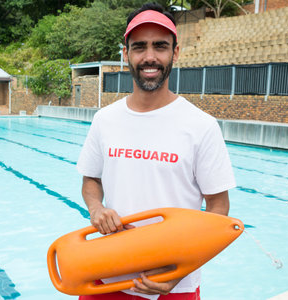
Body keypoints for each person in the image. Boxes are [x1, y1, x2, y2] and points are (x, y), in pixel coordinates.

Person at [76, 2, 236, 300]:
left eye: (160, 46)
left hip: (173, 285)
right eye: (139, 47)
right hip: (107, 273)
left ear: (175, 52)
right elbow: (90, 180)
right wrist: (96, 209)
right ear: (126, 54)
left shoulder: (201, 125)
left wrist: (180, 270)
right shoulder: (105, 119)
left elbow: (218, 209)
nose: (150, 57)